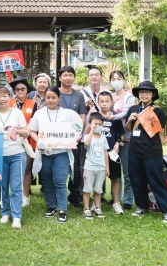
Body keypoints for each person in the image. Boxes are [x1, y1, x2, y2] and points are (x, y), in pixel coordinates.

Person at [29, 86, 83, 224]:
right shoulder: (39, 113)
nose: (51, 100)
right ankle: (51, 206)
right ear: (44, 98)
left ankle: (62, 209)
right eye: (48, 97)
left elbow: (78, 130)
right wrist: (39, 141)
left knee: (59, 180)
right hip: (45, 152)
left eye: (54, 97)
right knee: (47, 180)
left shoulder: (68, 114)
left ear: (59, 98)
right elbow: (32, 131)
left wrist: (75, 139)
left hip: (62, 152)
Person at [125, 80, 167, 223]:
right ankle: (141, 207)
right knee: (136, 180)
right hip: (134, 152)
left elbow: (160, 134)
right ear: (138, 94)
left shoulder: (158, 111)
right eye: (141, 92)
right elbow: (127, 130)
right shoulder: (133, 109)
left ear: (153, 94)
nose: (144, 94)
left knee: (156, 181)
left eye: (147, 92)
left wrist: (160, 152)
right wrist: (130, 119)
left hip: (152, 153)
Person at [0, 86, 29, 229]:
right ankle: (5, 212)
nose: (2, 99)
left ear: (10, 97)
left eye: (5, 96)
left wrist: (18, 131)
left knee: (16, 186)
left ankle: (17, 216)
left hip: (17, 153)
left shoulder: (17, 113)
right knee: (2, 186)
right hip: (0, 155)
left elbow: (26, 131)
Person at [57, 66, 88, 208]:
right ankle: (57, 196)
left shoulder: (79, 95)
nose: (68, 78)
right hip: (57, 138)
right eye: (65, 75)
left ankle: (74, 195)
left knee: (75, 169)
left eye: (70, 75)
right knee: (58, 168)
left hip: (74, 139)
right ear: (59, 78)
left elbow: (82, 116)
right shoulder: (54, 93)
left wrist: (79, 133)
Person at [109, 70, 136, 210]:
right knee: (115, 170)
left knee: (127, 170)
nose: (116, 81)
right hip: (111, 139)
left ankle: (128, 199)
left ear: (123, 80)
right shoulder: (109, 96)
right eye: (113, 78)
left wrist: (111, 117)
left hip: (125, 137)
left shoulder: (129, 97)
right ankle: (115, 198)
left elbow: (127, 112)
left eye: (119, 78)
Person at [8, 77, 36, 207]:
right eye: (17, 89)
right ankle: (14, 193)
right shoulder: (9, 102)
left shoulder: (33, 103)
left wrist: (26, 130)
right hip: (12, 140)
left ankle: (25, 196)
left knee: (26, 169)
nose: (20, 91)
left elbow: (34, 121)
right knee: (12, 169)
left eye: (23, 89)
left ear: (27, 90)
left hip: (28, 140)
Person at [97, 91, 126, 214]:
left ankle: (116, 203)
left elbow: (121, 134)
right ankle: (96, 203)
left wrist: (118, 142)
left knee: (115, 178)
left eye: (107, 101)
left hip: (111, 153)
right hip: (97, 153)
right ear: (98, 102)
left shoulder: (115, 117)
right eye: (101, 101)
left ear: (112, 102)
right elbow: (88, 132)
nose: (104, 104)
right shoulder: (94, 116)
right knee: (97, 178)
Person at [82, 112, 110, 220]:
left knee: (98, 189)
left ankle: (97, 207)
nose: (97, 126)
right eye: (95, 124)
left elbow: (105, 152)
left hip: (101, 168)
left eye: (100, 124)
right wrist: (91, 131)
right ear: (90, 123)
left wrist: (107, 167)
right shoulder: (87, 136)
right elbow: (87, 144)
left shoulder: (103, 138)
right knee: (87, 188)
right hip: (89, 167)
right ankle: (86, 209)